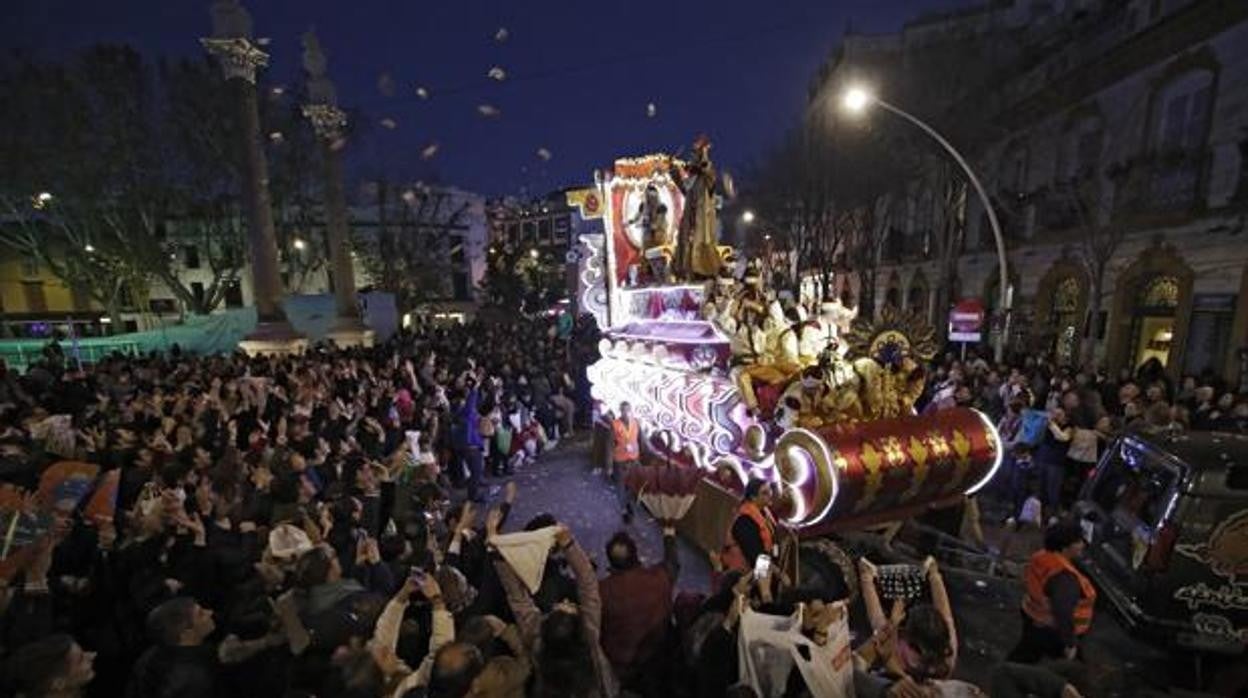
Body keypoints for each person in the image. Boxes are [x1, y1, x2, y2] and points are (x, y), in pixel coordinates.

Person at [598, 527, 680, 696]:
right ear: (636, 555)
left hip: (620, 671)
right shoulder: (659, 579)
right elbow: (673, 564)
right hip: (658, 666)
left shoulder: (601, 592)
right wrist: (669, 534)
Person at [1010, 521, 1097, 664]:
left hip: (1033, 617)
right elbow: (1063, 611)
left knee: (1025, 655)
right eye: (1079, 541)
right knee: (1074, 670)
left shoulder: (1042, 557)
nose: (1082, 545)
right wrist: (1070, 643)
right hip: (1052, 630)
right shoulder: (1065, 577)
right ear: (1065, 547)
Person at [721, 479, 778, 573]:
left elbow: (774, 539)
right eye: (765, 493)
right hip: (740, 574)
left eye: (770, 490)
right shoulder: (745, 521)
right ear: (753, 498)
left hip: (761, 569)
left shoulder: (765, 513)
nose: (770, 495)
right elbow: (756, 556)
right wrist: (778, 573)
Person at [610, 402, 641, 523]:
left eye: (628, 410)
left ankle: (627, 503)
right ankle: (624, 510)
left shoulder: (636, 422)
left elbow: (642, 439)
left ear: (631, 410)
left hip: (633, 459)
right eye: (623, 411)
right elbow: (609, 445)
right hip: (620, 460)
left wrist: (654, 452)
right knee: (621, 486)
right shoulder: (614, 424)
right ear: (620, 411)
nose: (626, 413)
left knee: (632, 485)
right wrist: (608, 466)